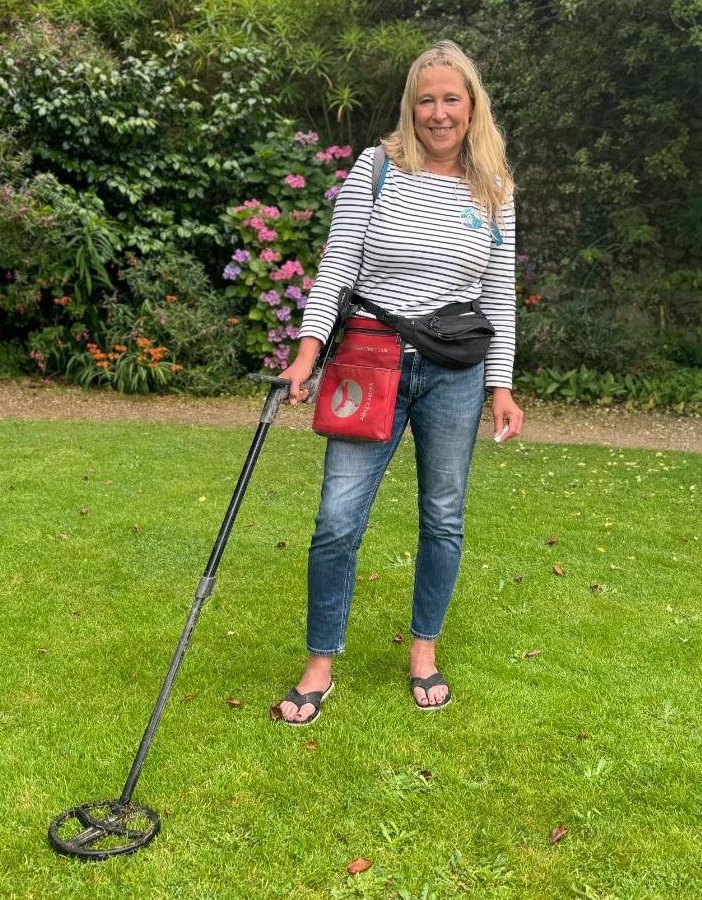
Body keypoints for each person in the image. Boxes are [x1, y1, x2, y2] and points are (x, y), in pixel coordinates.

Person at [274, 40, 523, 725]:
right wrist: (305, 354)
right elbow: (337, 269)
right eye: (426, 99)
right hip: (369, 362)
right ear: (410, 105)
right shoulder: (378, 169)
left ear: (473, 105)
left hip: (455, 375)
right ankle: (320, 663)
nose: (439, 113)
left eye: (452, 98)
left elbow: (499, 296)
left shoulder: (495, 187)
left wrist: (500, 385)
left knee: (443, 516)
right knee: (335, 520)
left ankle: (422, 651)